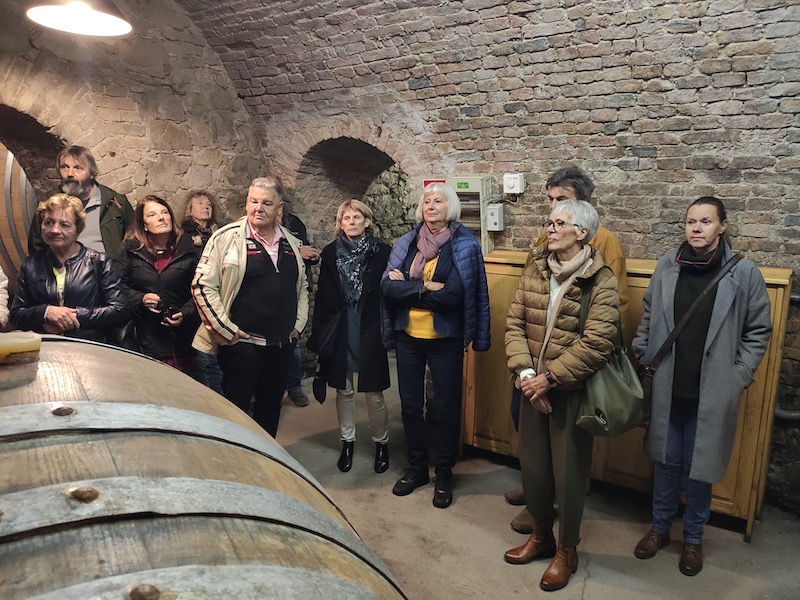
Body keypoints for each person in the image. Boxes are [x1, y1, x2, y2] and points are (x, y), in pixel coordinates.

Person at [632, 196, 771, 576]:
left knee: (699, 467)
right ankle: (659, 528)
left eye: (706, 221)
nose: (696, 228)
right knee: (666, 461)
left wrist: (738, 375)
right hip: (668, 386)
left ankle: (693, 538)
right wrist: (644, 350)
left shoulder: (743, 274)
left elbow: (758, 330)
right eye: (691, 221)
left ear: (722, 226)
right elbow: (648, 314)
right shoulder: (668, 265)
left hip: (711, 392)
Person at [506, 165, 631, 534]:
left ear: (582, 211)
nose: (552, 210)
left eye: (561, 201)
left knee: (567, 456)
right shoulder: (545, 242)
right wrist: (527, 372)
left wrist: (555, 376)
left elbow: (613, 315)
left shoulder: (604, 244)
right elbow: (525, 305)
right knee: (532, 444)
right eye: (550, 200)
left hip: (570, 373)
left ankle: (559, 517)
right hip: (533, 363)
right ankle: (538, 502)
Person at [382, 181, 490, 509]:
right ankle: (417, 468)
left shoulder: (464, 245)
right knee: (410, 406)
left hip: (445, 339)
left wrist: (409, 286)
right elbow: (387, 286)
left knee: (445, 407)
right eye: (427, 201)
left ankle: (443, 472)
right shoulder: (407, 242)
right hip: (408, 337)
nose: (430, 206)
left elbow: (452, 296)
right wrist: (426, 286)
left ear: (450, 207)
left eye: (438, 201)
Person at [191, 177, 309, 438]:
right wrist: (226, 330)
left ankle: (266, 457)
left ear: (279, 208)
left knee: (270, 408)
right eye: (253, 201)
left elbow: (301, 287)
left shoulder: (291, 242)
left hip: (280, 345)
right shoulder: (226, 238)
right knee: (237, 411)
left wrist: (298, 325)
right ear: (246, 203)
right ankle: (237, 457)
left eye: (266, 203)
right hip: (242, 345)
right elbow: (202, 286)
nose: (258, 208)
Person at [313, 199, 391, 473]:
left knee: (374, 392)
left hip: (369, 325)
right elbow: (322, 296)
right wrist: (320, 333)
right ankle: (347, 442)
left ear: (367, 221)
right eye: (346, 218)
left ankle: (381, 443)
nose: (352, 222)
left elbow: (388, 290)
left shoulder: (382, 252)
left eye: (357, 217)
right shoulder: (330, 253)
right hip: (341, 325)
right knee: (343, 390)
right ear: (340, 223)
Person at [11, 193, 130, 342]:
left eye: (64, 225)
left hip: (90, 348)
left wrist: (75, 317)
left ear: (77, 231)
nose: (54, 230)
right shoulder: (30, 265)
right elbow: (16, 315)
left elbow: (120, 310)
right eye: (48, 222)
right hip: (47, 348)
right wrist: (46, 312)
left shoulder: (99, 261)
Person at [115, 195, 203, 380]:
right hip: (147, 338)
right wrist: (140, 299)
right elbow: (116, 286)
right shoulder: (130, 251)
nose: (161, 218)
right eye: (152, 215)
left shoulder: (189, 249)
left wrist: (185, 313)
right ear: (144, 224)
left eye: (164, 212)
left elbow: (202, 289)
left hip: (185, 340)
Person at [28, 146, 133, 257]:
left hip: (109, 267)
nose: (70, 173)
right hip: (64, 267)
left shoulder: (114, 202)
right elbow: (36, 246)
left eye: (78, 168)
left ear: (92, 173)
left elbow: (135, 239)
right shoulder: (48, 203)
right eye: (65, 167)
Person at [180, 190, 225, 394]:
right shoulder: (184, 235)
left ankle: (221, 400)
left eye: (208, 204)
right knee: (203, 357)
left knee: (216, 358)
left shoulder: (218, 233)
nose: (206, 206)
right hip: (195, 300)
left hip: (218, 298)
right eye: (200, 203)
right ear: (190, 210)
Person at [279, 201, 320, 408]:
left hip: (293, 291)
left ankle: (293, 386)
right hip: (267, 296)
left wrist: (310, 256)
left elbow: (306, 252)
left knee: (293, 340)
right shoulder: (252, 227)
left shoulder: (294, 222)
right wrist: (297, 250)